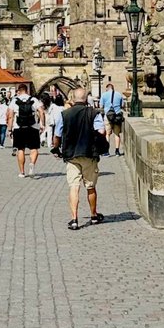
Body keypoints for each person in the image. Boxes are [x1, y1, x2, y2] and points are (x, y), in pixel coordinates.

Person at [58, 87, 104, 230]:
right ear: (86, 98)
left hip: (71, 155)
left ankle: (74, 219)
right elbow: (101, 131)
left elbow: (57, 134)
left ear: (73, 98)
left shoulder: (64, 114)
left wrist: (55, 148)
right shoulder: (94, 113)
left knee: (74, 186)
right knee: (90, 187)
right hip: (89, 154)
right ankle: (93, 216)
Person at [10, 85, 43, 178]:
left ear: (19, 91)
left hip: (18, 127)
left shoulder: (14, 100)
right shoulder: (34, 100)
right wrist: (42, 123)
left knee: (20, 149)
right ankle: (32, 163)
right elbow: (41, 111)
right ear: (27, 90)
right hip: (33, 127)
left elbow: (10, 116)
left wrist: (9, 129)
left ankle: (22, 172)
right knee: (34, 148)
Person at [99, 84, 125, 156]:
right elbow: (122, 105)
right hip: (117, 116)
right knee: (117, 134)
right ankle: (117, 151)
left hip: (108, 116)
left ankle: (107, 151)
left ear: (107, 88)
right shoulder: (119, 94)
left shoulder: (104, 95)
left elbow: (101, 106)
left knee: (107, 134)